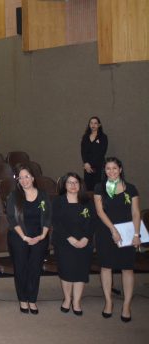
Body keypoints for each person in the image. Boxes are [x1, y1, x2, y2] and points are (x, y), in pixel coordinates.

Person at [93, 157, 140, 322]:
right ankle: (108, 302)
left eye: (114, 168)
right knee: (106, 267)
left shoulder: (131, 188)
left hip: (127, 233)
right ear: (104, 171)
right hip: (106, 232)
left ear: (120, 169)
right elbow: (100, 212)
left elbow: (135, 213)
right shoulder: (100, 188)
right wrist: (113, 230)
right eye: (108, 169)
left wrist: (136, 234)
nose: (111, 171)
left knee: (127, 268)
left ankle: (126, 305)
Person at [5, 164, 52, 315]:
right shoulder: (14, 196)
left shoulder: (43, 195)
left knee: (34, 269)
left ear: (32, 178)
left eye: (27, 177)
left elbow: (47, 216)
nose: (24, 180)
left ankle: (32, 299)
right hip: (19, 237)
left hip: (40, 237)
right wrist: (25, 237)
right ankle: (23, 299)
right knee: (21, 268)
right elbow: (12, 219)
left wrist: (42, 235)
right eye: (21, 177)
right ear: (18, 180)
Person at [53, 172, 94, 316]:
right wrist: (69, 238)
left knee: (80, 272)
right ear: (65, 185)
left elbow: (92, 222)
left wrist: (86, 238)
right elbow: (56, 223)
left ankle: (76, 302)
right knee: (66, 271)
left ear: (80, 185)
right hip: (64, 242)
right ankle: (67, 299)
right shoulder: (58, 201)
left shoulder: (87, 202)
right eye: (69, 182)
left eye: (76, 182)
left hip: (84, 242)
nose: (73, 185)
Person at [80, 116, 108, 191]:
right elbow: (83, 151)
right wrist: (86, 163)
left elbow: (102, 153)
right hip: (87, 168)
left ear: (99, 125)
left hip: (98, 167)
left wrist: (90, 165)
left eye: (95, 123)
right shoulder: (85, 137)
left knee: (97, 188)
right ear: (89, 124)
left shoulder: (103, 137)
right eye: (91, 123)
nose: (93, 125)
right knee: (88, 189)